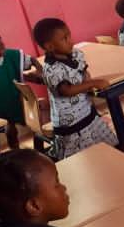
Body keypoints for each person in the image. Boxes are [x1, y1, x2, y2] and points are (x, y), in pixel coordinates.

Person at [32, 18, 118, 159]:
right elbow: (66, 90)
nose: (70, 41)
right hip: (69, 122)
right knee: (83, 158)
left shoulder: (76, 54)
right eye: (64, 39)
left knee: (103, 150)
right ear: (50, 46)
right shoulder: (51, 69)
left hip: (85, 112)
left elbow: (83, 72)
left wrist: (87, 80)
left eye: (69, 35)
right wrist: (92, 83)